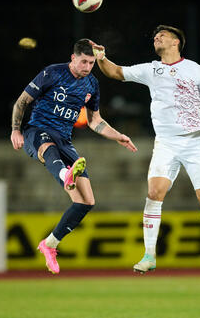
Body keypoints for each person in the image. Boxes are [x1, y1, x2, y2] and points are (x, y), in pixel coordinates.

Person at [90, 25, 200, 282]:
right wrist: (101, 57)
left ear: (176, 42)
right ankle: (149, 255)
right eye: (155, 35)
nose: (156, 37)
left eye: (162, 35)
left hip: (195, 142)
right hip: (165, 142)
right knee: (154, 193)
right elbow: (116, 72)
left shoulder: (196, 70)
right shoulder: (151, 69)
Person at [10, 38, 137, 274]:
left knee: (87, 201)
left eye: (91, 62)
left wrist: (117, 135)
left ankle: (49, 244)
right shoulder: (52, 73)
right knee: (48, 148)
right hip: (37, 131)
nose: (88, 66)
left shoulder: (92, 84)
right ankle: (63, 173)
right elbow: (22, 101)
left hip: (65, 140)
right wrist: (16, 130)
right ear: (73, 58)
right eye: (84, 61)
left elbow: (94, 121)